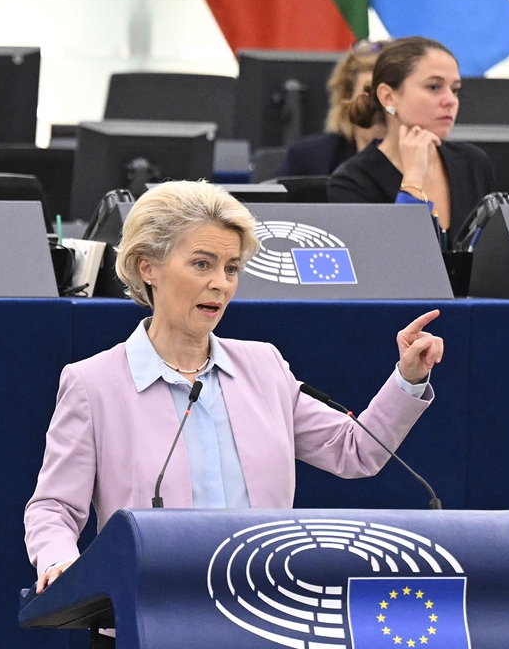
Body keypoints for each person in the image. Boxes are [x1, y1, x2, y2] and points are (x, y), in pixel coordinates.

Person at [25, 181, 443, 600]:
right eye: (203, 265)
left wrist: (407, 378)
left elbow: (355, 451)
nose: (221, 284)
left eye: (231, 268)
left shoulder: (264, 367)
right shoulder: (94, 383)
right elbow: (53, 509)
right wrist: (59, 559)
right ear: (146, 267)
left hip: (265, 609)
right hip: (153, 610)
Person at [328, 36, 494, 249]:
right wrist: (413, 177)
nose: (451, 101)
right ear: (388, 97)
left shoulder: (472, 162)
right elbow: (398, 263)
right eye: (434, 87)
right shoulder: (353, 181)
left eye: (455, 89)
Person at [279, 40, 388, 176]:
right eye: (370, 91)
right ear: (347, 95)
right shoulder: (311, 158)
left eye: (390, 93)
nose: (381, 102)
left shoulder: (420, 160)